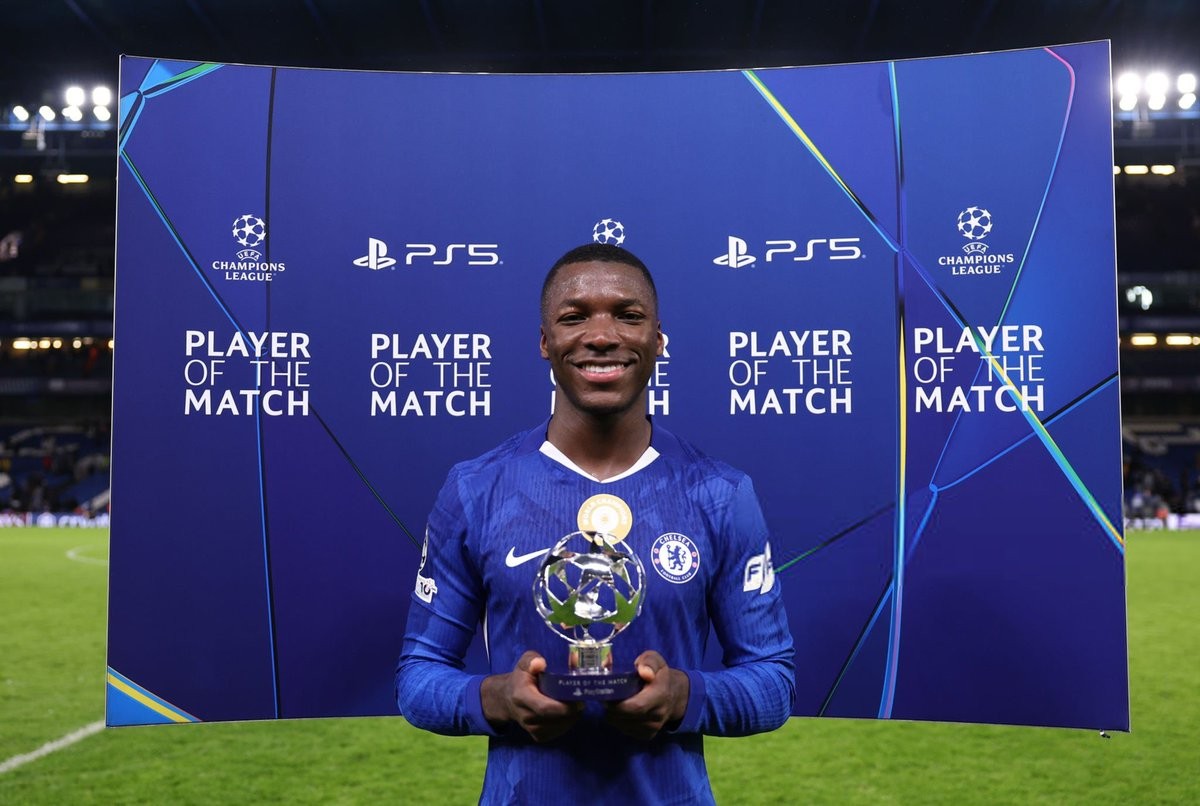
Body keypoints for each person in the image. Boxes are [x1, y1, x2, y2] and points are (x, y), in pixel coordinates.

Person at [395, 243, 794, 804]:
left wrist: (682, 697)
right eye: (574, 317)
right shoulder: (476, 489)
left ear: (659, 338)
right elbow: (418, 677)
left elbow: (773, 681)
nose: (602, 336)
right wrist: (498, 699)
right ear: (544, 341)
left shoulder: (720, 494)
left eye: (628, 315)